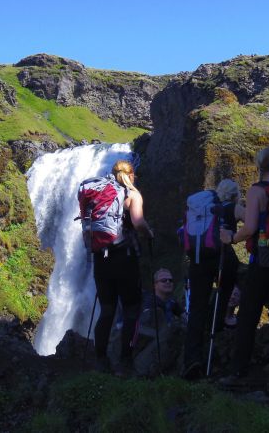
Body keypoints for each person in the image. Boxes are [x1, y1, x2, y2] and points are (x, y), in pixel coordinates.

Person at [219, 146, 269, 397]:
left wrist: (231, 237)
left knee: (248, 316)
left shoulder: (257, 191)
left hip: (263, 260)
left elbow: (250, 227)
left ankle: (237, 371)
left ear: (261, 165)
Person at [93, 160, 153, 375]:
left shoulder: (99, 194)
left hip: (101, 260)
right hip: (126, 260)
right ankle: (125, 361)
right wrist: (149, 233)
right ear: (132, 175)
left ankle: (100, 359)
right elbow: (138, 223)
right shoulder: (132, 194)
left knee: (106, 310)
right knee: (131, 310)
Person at [181, 179, 240, 380]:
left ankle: (192, 360)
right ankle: (218, 329)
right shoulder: (231, 207)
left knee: (196, 308)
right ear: (234, 195)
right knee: (223, 295)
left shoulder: (200, 209)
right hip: (222, 258)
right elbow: (253, 222)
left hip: (197, 260)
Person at [132, 268, 184, 377]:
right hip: (147, 351)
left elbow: (185, 317)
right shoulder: (149, 304)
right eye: (164, 280)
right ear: (155, 284)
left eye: (170, 280)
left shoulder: (172, 302)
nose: (168, 282)